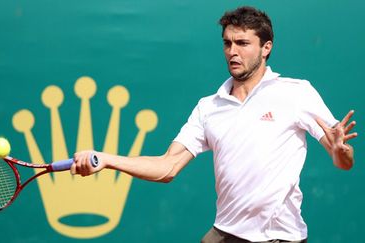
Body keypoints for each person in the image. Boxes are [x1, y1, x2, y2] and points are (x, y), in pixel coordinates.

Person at [70, 6, 357, 243]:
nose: (233, 51)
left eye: (243, 43)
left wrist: (339, 152)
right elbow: (167, 167)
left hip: (279, 237)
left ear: (266, 47)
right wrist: (107, 160)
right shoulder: (209, 107)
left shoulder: (296, 92)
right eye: (227, 43)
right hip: (224, 234)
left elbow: (345, 161)